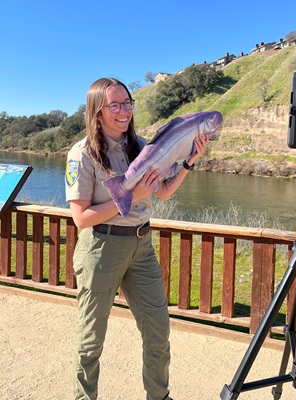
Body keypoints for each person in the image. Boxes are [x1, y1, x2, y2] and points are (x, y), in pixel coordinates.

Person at [65, 77, 209, 400]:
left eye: (127, 103)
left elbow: (166, 191)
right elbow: (81, 218)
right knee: (91, 342)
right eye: (114, 105)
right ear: (97, 111)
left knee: (158, 331)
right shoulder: (82, 155)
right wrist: (127, 197)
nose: (123, 111)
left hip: (141, 247)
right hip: (101, 247)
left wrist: (189, 161)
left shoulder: (142, 147)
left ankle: (159, 396)